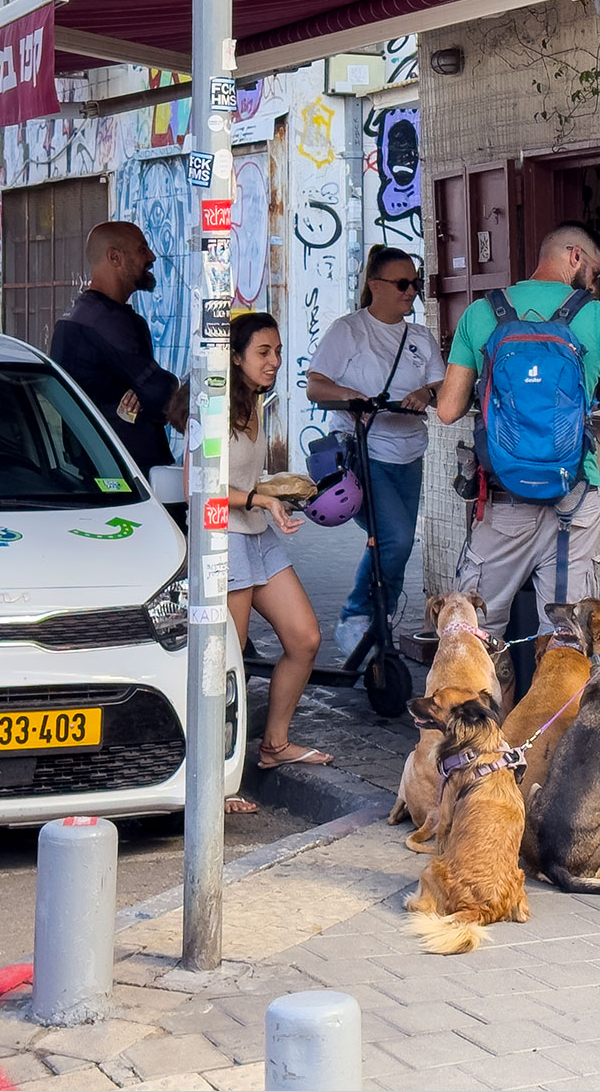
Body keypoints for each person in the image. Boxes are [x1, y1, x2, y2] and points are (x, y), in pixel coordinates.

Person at [435, 224, 600, 673]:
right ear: (575, 256)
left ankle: (484, 733)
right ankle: (552, 734)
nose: (595, 281)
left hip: (503, 497)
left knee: (476, 630)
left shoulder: (480, 313)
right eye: (595, 270)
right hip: (573, 497)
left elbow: (448, 409)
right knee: (568, 632)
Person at [306, 245, 446, 659]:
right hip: (365, 452)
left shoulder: (419, 336)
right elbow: (316, 385)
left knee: (392, 543)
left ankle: (378, 624)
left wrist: (425, 392)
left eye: (415, 284)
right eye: (403, 284)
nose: (411, 292)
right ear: (375, 285)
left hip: (409, 452)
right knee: (396, 540)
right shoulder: (349, 330)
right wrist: (352, 397)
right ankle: (357, 614)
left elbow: (442, 386)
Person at [226, 311, 329, 791]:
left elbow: (245, 481)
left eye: (279, 351)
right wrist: (259, 498)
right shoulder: (212, 409)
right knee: (227, 662)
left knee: (305, 638)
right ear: (235, 357)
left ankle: (274, 744)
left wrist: (277, 494)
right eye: (263, 353)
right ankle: (216, 785)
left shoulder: (254, 405)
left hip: (256, 530)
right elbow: (198, 487)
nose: (274, 362)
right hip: (223, 538)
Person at [49, 222, 188, 479]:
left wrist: (145, 392)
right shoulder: (105, 320)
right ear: (115, 257)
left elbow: (149, 391)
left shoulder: (79, 316)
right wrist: (164, 390)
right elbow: (161, 394)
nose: (151, 257)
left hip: (97, 466)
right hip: (124, 474)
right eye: (142, 249)